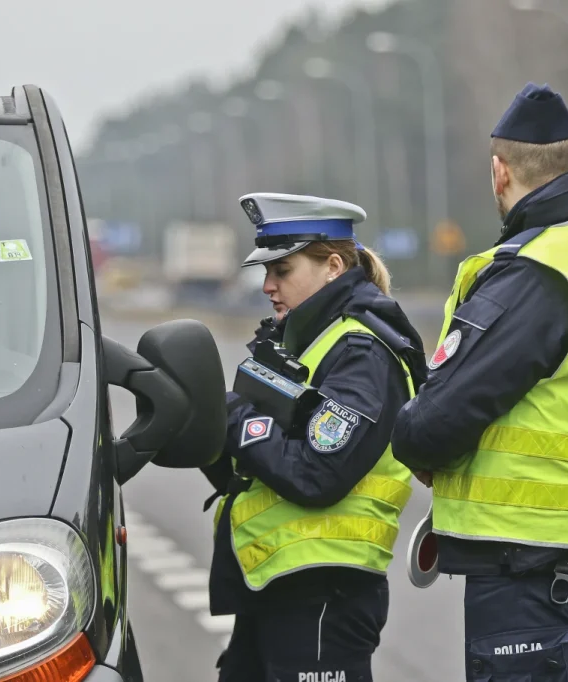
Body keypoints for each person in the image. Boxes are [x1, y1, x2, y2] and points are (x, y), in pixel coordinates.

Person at [390, 83, 568, 682]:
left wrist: (418, 441)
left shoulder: (540, 274)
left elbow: (430, 426)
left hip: (530, 580)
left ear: (500, 172)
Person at [200, 193, 429, 682]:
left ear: (332, 267)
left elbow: (316, 474)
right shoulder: (307, 340)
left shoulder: (362, 352)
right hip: (278, 586)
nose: (268, 285)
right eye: (267, 271)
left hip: (324, 595)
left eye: (282, 270)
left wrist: (235, 415)